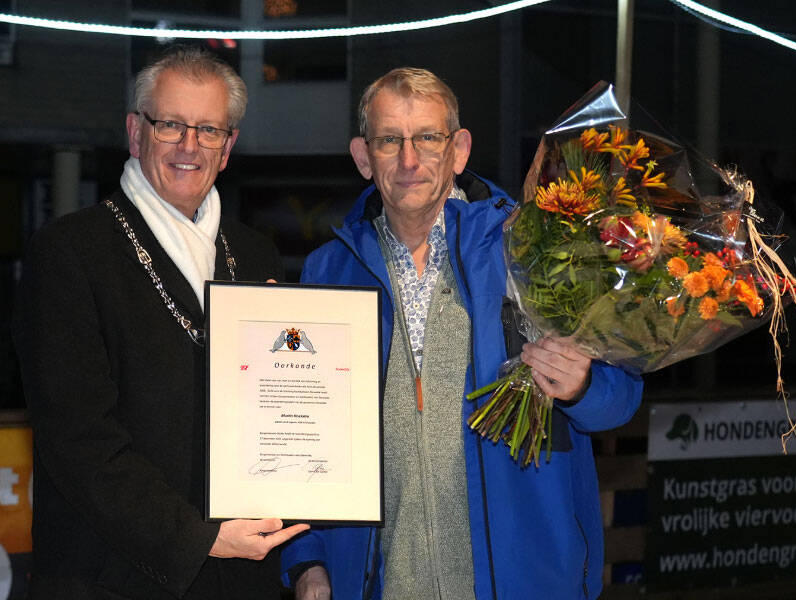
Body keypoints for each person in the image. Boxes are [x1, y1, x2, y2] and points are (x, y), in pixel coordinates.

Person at [280, 67, 643, 600]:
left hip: (522, 582)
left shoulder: (532, 248)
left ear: (459, 149)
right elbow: (298, 431)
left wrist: (583, 386)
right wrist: (307, 558)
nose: (410, 160)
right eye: (389, 140)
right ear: (363, 157)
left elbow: (622, 398)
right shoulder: (328, 269)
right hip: (381, 584)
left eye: (428, 137)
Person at [12, 47, 308, 599]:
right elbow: (78, 442)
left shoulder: (256, 254)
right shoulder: (70, 253)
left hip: (241, 575)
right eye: (170, 124)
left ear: (228, 148)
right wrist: (197, 538)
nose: (189, 146)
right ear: (135, 131)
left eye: (209, 130)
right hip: (112, 576)